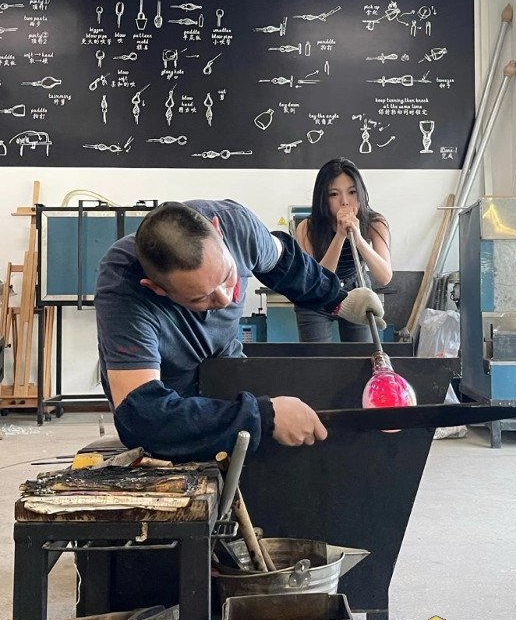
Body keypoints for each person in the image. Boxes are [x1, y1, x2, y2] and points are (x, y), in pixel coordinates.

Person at [94, 199, 385, 462]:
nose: (224, 299)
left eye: (227, 276)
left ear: (218, 230)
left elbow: (286, 264)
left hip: (227, 368)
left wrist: (338, 299)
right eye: (201, 298)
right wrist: (263, 417)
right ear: (157, 289)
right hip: (179, 404)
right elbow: (143, 414)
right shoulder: (124, 288)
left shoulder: (238, 226)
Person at [294, 157, 392, 342]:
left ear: (361, 193)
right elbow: (317, 281)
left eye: (352, 192)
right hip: (316, 297)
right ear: (322, 198)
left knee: (360, 356)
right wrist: (339, 236)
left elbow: (385, 276)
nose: (345, 202)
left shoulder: (374, 223)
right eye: (334, 194)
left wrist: (359, 239)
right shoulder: (307, 228)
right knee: (316, 357)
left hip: (356, 292)